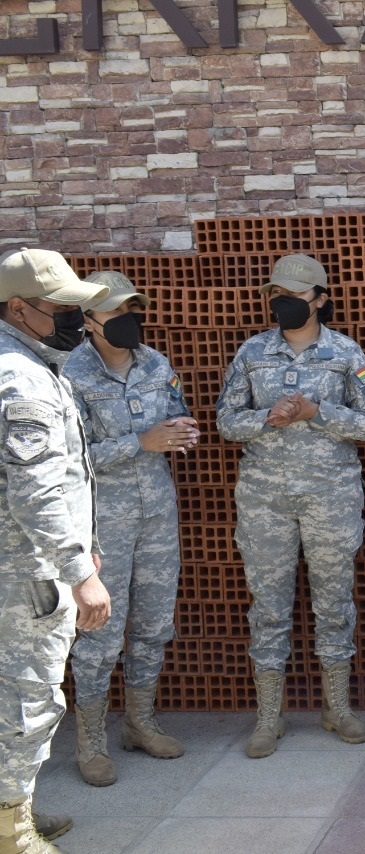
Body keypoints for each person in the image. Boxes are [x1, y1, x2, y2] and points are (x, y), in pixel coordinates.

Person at [216, 254, 365, 759]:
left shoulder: (343, 353)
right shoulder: (252, 353)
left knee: (333, 603)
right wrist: (266, 419)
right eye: (277, 296)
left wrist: (317, 412)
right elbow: (225, 421)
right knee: (268, 607)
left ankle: (337, 707)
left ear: (319, 300)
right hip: (265, 499)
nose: (283, 304)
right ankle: (269, 716)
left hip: (330, 498)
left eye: (293, 296)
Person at [62, 271, 199, 787]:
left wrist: (180, 431)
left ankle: (140, 723)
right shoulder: (70, 375)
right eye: (116, 313)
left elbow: (174, 414)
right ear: (90, 322)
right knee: (99, 634)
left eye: (132, 310)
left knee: (152, 624)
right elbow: (69, 459)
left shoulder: (156, 363)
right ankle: (91, 742)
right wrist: (139, 442)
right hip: (103, 525)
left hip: (158, 516)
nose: (127, 321)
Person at [0, 247, 112, 854]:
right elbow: (37, 490)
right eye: (64, 307)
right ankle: (12, 834)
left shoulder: (29, 362)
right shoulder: (21, 377)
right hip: (29, 575)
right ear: (20, 308)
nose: (78, 319)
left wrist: (84, 547)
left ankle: (13, 811)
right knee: (28, 698)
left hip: (26, 565)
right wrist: (79, 569)